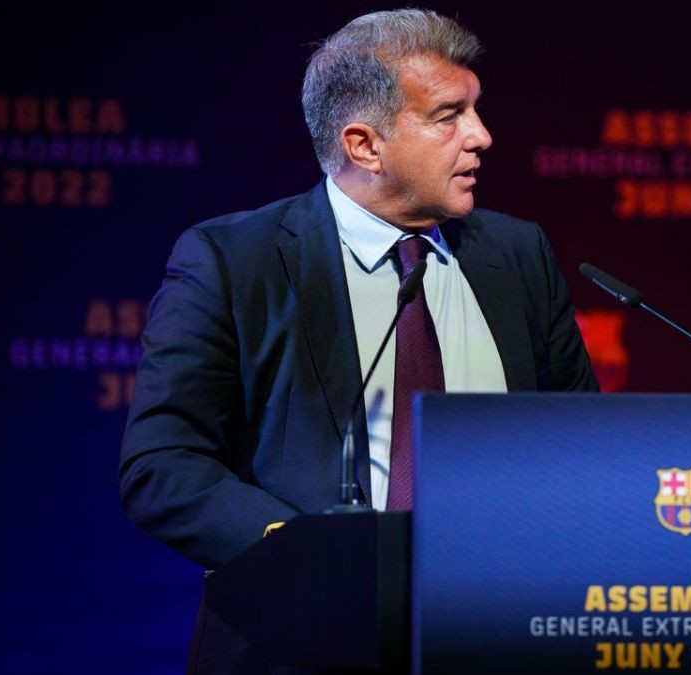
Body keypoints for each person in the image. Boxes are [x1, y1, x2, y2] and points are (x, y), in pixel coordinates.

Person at [120, 9, 597, 573]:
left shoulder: (519, 255)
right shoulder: (234, 262)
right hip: (304, 630)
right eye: (450, 116)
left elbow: (581, 441)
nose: (482, 136)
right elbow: (164, 464)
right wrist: (304, 552)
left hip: (495, 615)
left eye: (474, 109)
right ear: (365, 146)